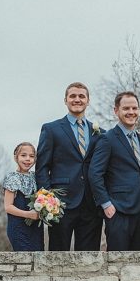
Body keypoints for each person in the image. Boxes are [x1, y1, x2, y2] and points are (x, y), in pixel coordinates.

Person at [35, 82, 104, 251]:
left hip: (91, 204)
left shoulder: (100, 133)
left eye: (82, 96)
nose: (77, 99)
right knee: (58, 256)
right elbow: (42, 167)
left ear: (88, 101)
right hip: (60, 204)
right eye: (73, 96)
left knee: (89, 259)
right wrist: (47, 200)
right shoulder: (51, 129)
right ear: (65, 100)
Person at [89, 91, 140, 251]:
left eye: (134, 108)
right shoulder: (107, 139)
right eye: (126, 108)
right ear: (116, 111)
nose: (131, 112)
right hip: (119, 211)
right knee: (117, 263)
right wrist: (106, 204)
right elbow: (95, 174)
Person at [3, 142, 43, 251]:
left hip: (35, 228)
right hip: (18, 227)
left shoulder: (36, 177)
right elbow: (8, 207)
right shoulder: (12, 177)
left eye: (31, 156)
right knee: (24, 261)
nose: (27, 159)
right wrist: (28, 214)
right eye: (23, 155)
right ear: (16, 157)